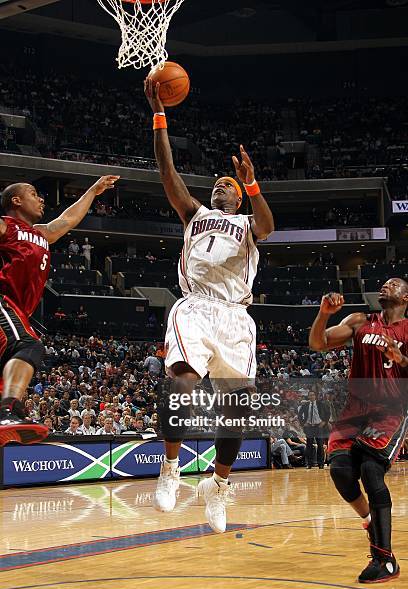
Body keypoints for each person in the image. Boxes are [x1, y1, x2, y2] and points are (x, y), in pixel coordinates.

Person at [145, 79, 274, 533]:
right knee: (181, 381)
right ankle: (170, 467)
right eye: (216, 184)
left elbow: (269, 224)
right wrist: (160, 116)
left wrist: (252, 182)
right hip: (196, 307)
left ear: (237, 195)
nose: (220, 187)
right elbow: (167, 172)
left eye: (227, 185)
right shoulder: (194, 214)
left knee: (238, 407)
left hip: (237, 317)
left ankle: (218, 486)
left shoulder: (247, 221)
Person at [0, 175, 119, 446]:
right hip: (3, 302)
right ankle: (8, 411)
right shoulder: (7, 227)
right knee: (28, 346)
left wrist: (92, 191)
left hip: (18, 312)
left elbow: (67, 220)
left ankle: (7, 412)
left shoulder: (41, 233)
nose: (41, 198)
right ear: (16, 200)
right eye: (33, 193)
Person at [309, 279, 408, 583]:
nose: (385, 286)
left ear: (405, 297)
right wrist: (324, 313)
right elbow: (318, 343)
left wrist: (401, 359)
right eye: (384, 284)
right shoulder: (360, 322)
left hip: (389, 410)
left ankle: (385, 558)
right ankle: (368, 521)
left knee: (370, 469)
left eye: (393, 284)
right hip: (355, 410)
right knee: (339, 469)